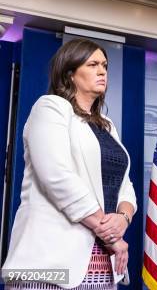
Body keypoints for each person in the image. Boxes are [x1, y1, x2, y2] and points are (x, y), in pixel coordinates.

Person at [2, 39, 137, 289]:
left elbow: (125, 185)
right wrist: (111, 237)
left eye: (105, 65)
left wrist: (123, 218)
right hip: (48, 265)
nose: (102, 71)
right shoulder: (50, 107)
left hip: (102, 269)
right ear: (70, 73)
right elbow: (57, 177)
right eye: (93, 64)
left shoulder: (107, 125)